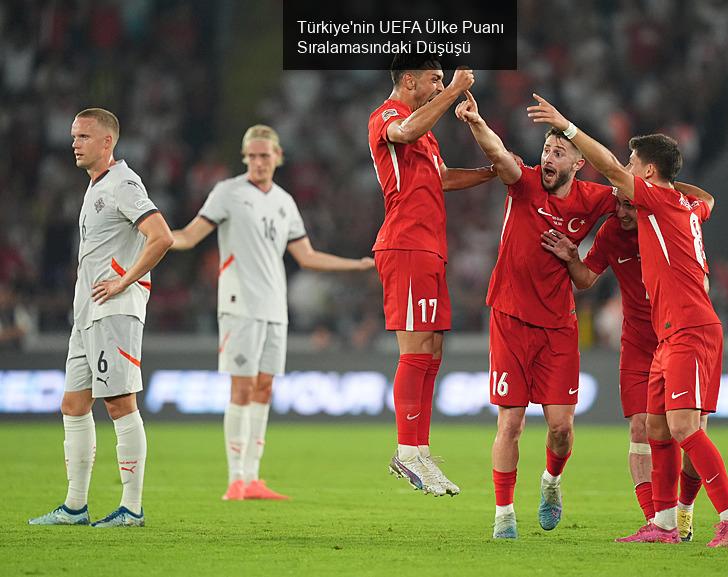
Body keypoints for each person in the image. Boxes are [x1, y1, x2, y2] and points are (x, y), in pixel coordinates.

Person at [528, 94, 728, 547]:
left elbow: (610, 169)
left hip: (689, 328)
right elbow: (705, 199)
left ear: (648, 173)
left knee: (687, 428)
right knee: (654, 426)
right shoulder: (682, 207)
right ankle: (665, 524)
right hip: (667, 334)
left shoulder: (662, 203)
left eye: (634, 162)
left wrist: (567, 128)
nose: (625, 170)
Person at [170, 124, 374, 501]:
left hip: (274, 308)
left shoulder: (284, 201)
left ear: (278, 157)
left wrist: (356, 265)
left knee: (265, 388)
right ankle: (235, 480)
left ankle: (253, 477)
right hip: (239, 305)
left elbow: (306, 256)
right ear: (245, 158)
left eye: (265, 155)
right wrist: (160, 238)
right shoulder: (227, 193)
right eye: (252, 156)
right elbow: (190, 235)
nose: (259, 162)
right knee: (242, 386)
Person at [454, 91, 616, 538]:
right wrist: (475, 120)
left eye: (559, 152)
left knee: (561, 428)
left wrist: (573, 257)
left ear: (577, 164)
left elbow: (624, 183)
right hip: (509, 319)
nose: (548, 158)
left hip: (559, 327)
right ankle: (503, 515)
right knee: (511, 422)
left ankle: (550, 483)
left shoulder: (592, 199)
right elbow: (498, 154)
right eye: (546, 150)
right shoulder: (522, 182)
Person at [29, 108, 174, 527]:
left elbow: (161, 236)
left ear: (108, 142)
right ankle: (75, 507)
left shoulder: (123, 184)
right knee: (73, 404)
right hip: (87, 314)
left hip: (115, 311)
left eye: (84, 136)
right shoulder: (97, 187)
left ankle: (131, 508)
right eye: (74, 136)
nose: (75, 143)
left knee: (118, 403)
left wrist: (124, 281)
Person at [541, 196, 709, 541]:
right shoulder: (612, 232)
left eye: (630, 205)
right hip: (638, 344)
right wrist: (572, 258)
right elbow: (586, 279)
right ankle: (656, 521)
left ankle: (685, 510)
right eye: (617, 204)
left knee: (690, 433)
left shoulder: (669, 218)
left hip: (681, 335)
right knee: (640, 428)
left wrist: (666, 186)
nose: (621, 212)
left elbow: (707, 200)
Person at [369, 54, 497, 497]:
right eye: (434, 79)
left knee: (433, 349)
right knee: (415, 347)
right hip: (404, 244)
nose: (440, 84)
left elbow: (441, 178)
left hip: (430, 248)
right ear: (409, 80)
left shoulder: (426, 131)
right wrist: (454, 89)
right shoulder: (389, 116)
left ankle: (420, 450)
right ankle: (406, 453)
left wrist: (490, 173)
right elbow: (404, 132)